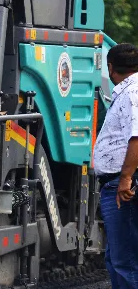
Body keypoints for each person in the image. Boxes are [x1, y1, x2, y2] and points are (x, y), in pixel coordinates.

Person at [93, 43, 138, 289]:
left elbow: (137, 137)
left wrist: (125, 179)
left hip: (122, 187)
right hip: (118, 184)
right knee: (117, 258)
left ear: (110, 67)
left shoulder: (132, 93)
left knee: (125, 261)